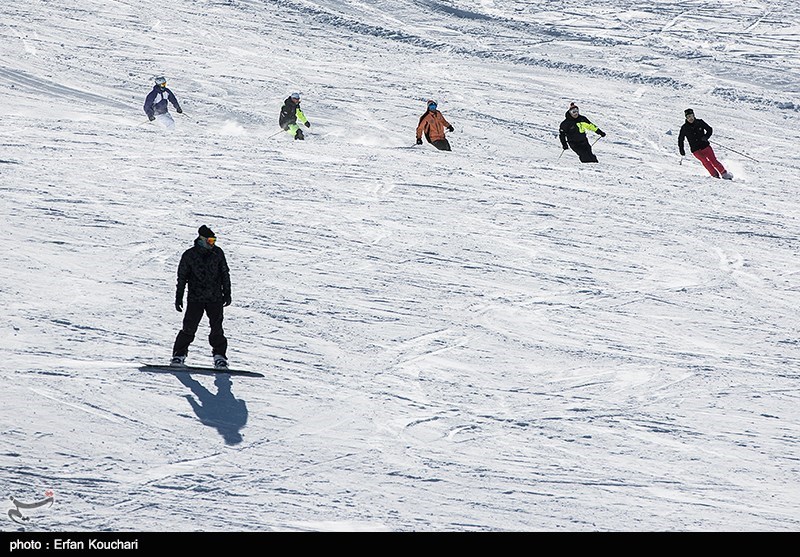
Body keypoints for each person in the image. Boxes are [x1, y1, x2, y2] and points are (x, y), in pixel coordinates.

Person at [172, 225, 232, 369]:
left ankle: (220, 357)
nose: (213, 244)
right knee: (189, 328)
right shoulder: (189, 255)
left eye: (214, 241)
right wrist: (179, 297)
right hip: (195, 299)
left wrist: (227, 293)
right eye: (210, 241)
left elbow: (225, 273)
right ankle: (178, 356)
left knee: (217, 328)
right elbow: (182, 277)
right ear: (202, 240)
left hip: (215, 298)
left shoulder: (218, 253)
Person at [678, 108, 732, 179]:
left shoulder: (700, 122)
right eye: (688, 117)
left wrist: (706, 136)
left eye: (691, 116)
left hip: (705, 146)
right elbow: (680, 139)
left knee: (713, 160)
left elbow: (709, 129)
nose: (690, 118)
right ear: (686, 118)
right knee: (705, 162)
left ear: (694, 115)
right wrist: (681, 150)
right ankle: (715, 175)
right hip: (695, 150)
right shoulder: (684, 128)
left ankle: (724, 174)